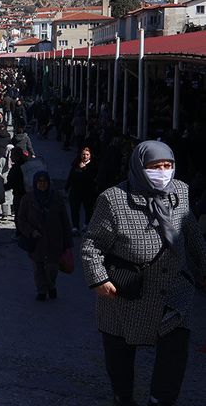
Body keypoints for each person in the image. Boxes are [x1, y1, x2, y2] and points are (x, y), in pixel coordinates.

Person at [81, 141, 206, 406]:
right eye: (155, 166)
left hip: (174, 291)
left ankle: (160, 400)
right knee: (120, 358)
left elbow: (192, 234)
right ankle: (123, 398)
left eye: (168, 165)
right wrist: (98, 278)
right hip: (125, 294)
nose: (163, 171)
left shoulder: (180, 191)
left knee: (174, 355)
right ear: (140, 167)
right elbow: (92, 244)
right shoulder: (113, 199)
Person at [17, 171, 73, 301]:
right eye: (39, 182)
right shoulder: (28, 199)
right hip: (37, 241)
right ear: (35, 183)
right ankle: (42, 290)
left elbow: (64, 219)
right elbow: (21, 219)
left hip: (54, 239)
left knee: (52, 267)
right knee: (39, 267)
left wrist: (68, 241)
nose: (42, 184)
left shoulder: (56, 198)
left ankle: (51, 285)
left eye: (44, 182)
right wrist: (31, 231)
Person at [65, 146, 98, 233]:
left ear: (90, 155)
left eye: (87, 154)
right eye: (83, 154)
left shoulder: (93, 165)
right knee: (74, 209)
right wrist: (66, 187)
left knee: (88, 209)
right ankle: (75, 227)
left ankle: (86, 224)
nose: (85, 156)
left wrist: (83, 168)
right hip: (75, 191)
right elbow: (71, 176)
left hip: (88, 191)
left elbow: (93, 178)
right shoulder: (76, 163)